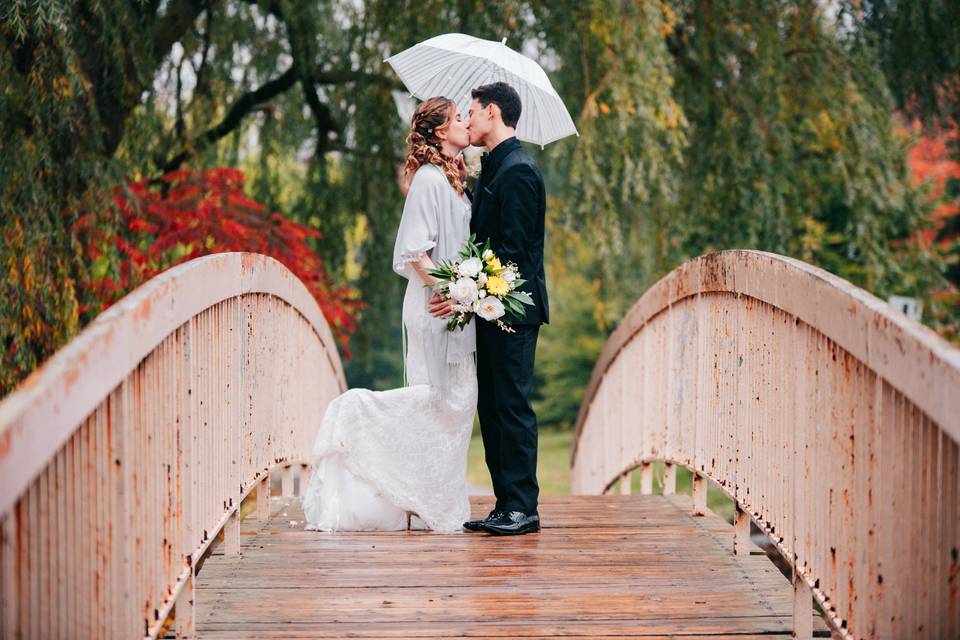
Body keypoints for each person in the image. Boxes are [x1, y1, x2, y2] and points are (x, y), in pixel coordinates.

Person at [301, 96, 476, 532]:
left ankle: (433, 501)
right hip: (435, 304)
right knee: (437, 398)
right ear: (439, 131)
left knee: (454, 402)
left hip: (455, 304)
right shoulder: (429, 180)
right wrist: (451, 289)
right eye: (457, 119)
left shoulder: (453, 178)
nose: (464, 124)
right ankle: (355, 412)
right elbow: (414, 251)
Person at [461, 82, 549, 536]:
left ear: (492, 112)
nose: (468, 120)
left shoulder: (518, 170)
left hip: (512, 310)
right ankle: (504, 505)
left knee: (511, 405)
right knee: (492, 407)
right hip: (489, 307)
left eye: (472, 112)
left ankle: (522, 507)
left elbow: (513, 251)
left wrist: (470, 282)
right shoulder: (494, 167)